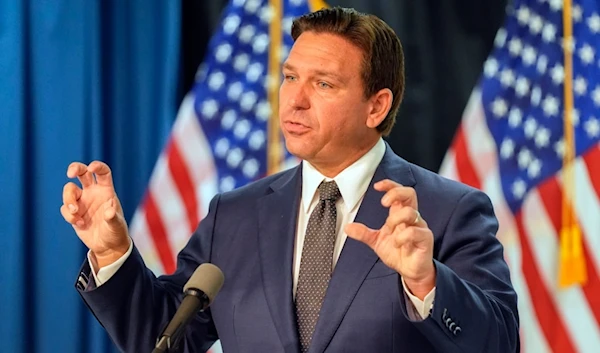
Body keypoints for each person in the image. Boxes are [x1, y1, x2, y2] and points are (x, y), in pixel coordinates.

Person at [61, 7, 519, 353]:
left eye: (323, 84)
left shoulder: (447, 211)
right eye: (290, 76)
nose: (293, 100)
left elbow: (498, 341)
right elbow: (164, 337)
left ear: (376, 106)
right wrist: (111, 252)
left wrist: (426, 282)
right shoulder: (235, 214)